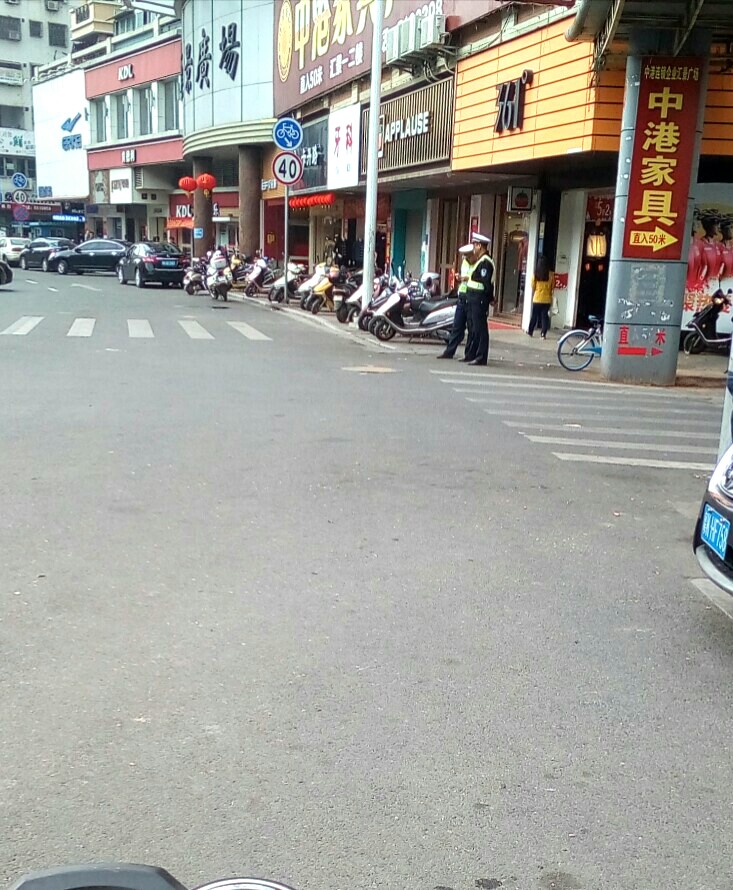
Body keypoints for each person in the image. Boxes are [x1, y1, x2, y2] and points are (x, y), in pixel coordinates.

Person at [437, 244, 474, 360]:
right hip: (462, 296)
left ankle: (469, 354)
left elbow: (475, 278)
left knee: (471, 328)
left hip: (471, 297)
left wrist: (465, 278)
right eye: (464, 256)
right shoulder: (465, 263)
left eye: (467, 256)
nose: (465, 258)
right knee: (457, 326)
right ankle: (449, 351)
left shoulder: (477, 263)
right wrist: (460, 278)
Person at [464, 233, 495, 366]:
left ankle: (481, 357)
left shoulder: (485, 262)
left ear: (480, 246)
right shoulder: (480, 261)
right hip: (473, 298)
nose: (473, 248)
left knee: (480, 329)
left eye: (475, 245)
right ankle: (472, 354)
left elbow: (486, 283)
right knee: (474, 328)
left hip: (479, 299)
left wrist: (489, 299)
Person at [527, 254, 555, 339]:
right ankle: (543, 334)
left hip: (537, 298)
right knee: (544, 317)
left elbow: (532, 286)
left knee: (534, 316)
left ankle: (530, 331)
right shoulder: (551, 275)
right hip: (547, 299)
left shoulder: (535, 274)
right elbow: (552, 287)